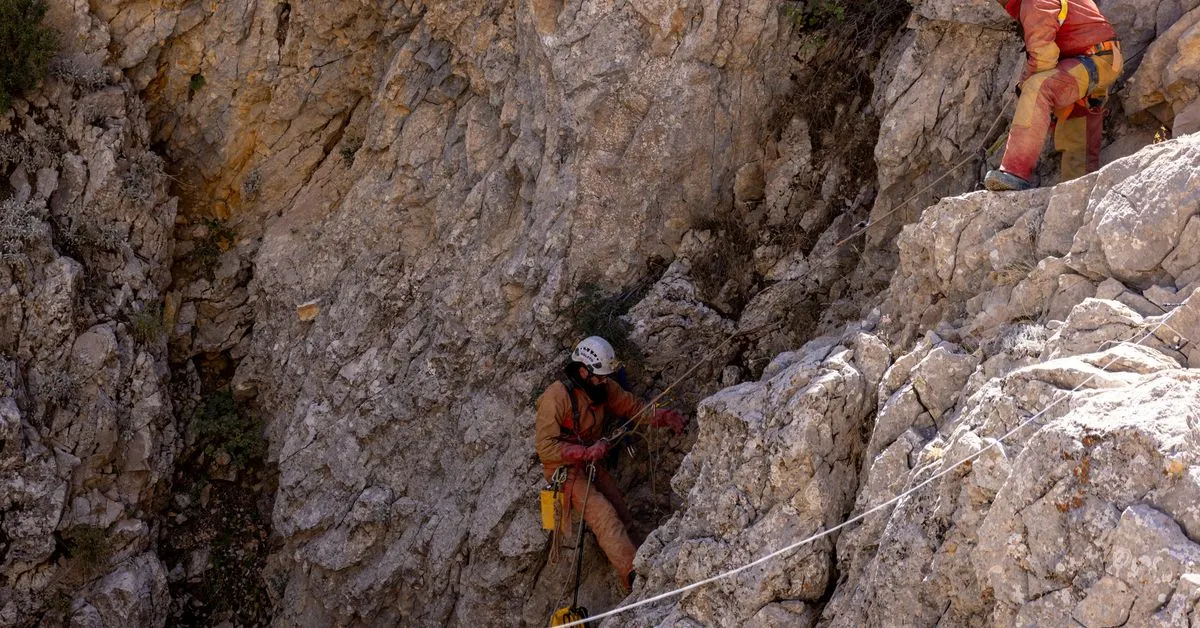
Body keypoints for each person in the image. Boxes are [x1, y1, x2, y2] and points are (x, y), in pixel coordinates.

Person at [534, 336, 685, 590]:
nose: (605, 382)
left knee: (621, 509)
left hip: (590, 462)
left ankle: (646, 560)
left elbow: (632, 407)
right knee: (605, 516)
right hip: (565, 471)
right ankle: (634, 578)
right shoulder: (555, 398)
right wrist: (585, 452)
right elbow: (545, 448)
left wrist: (663, 416)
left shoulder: (602, 389)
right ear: (583, 371)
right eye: (600, 377)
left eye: (606, 377)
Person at [985, 0, 1123, 191]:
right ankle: (1077, 195)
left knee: (1037, 88)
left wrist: (1027, 87)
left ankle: (1014, 172)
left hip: (1094, 59)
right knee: (1076, 139)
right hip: (1091, 60)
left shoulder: (1034, 2)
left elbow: (1043, 57)